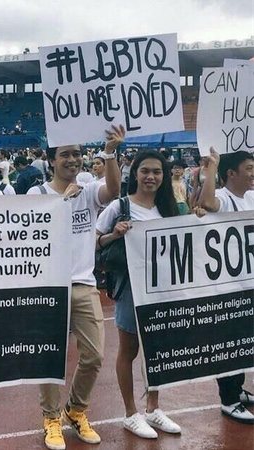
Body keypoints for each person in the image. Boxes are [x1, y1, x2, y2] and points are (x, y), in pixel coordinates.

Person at [27, 125, 123, 450]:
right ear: (51, 160)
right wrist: (60, 206)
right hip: (49, 286)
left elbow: (112, 189)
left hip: (83, 283)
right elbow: (30, 239)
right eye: (65, 154)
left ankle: (76, 410)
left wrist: (110, 152)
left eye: (77, 154)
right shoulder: (36, 195)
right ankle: (51, 417)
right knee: (51, 358)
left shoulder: (88, 190)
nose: (72, 159)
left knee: (94, 355)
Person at [96, 150, 184, 440]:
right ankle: (130, 413)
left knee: (157, 350)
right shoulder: (119, 207)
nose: (151, 177)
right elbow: (94, 242)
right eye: (145, 171)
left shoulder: (170, 208)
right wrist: (114, 235)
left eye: (157, 172)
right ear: (135, 173)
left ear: (164, 176)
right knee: (129, 350)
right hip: (131, 289)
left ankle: (153, 407)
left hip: (162, 288)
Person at [197, 148, 254, 424]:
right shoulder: (223, 197)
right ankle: (229, 399)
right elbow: (206, 201)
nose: (253, 174)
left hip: (249, 283)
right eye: (249, 169)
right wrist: (212, 167)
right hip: (226, 286)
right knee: (229, 343)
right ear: (231, 174)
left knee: (244, 342)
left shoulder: (250, 198)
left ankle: (238, 389)